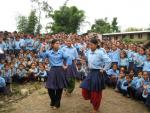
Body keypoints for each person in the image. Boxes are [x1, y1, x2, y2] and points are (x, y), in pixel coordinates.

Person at [80, 38, 111, 113]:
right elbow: (88, 60)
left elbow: (109, 61)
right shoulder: (88, 52)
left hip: (98, 73)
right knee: (84, 89)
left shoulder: (100, 52)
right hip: (90, 72)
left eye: (92, 45)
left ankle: (95, 107)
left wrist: (104, 69)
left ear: (96, 45)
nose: (90, 46)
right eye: (89, 45)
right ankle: (93, 100)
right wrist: (84, 61)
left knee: (96, 92)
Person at [39, 39, 69, 109]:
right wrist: (41, 48)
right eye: (56, 43)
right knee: (50, 88)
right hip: (52, 70)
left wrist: (66, 65)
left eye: (59, 43)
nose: (58, 45)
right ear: (52, 45)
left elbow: (67, 58)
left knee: (59, 88)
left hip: (60, 70)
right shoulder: (49, 52)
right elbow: (42, 56)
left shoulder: (61, 52)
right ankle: (53, 100)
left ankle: (57, 104)